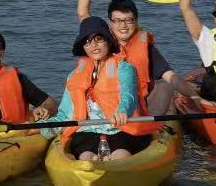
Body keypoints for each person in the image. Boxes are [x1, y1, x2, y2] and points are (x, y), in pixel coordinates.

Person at [77, 0, 202, 115]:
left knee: (165, 86)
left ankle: (150, 130)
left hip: (137, 108)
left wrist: (195, 97)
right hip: (105, 106)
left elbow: (170, 76)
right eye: (118, 21)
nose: (123, 26)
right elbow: (83, 14)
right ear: (110, 22)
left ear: (135, 21)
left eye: (128, 20)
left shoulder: (144, 46)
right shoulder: (101, 41)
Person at [50, 17, 153, 161]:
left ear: (108, 41)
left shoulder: (125, 68)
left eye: (98, 39)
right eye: (87, 42)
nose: (93, 45)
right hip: (88, 131)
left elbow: (128, 96)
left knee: (120, 155)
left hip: (122, 128)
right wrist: (42, 128)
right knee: (86, 158)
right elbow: (65, 114)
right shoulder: (73, 76)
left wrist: (122, 111)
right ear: (83, 47)